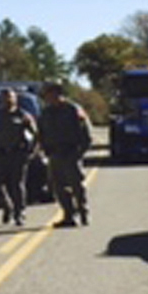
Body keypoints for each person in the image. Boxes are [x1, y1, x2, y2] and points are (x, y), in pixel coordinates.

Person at [38, 81, 91, 226]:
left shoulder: (72, 109)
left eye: (50, 93)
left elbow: (85, 131)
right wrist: (44, 148)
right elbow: (41, 131)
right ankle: (68, 215)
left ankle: (83, 211)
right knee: (58, 187)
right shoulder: (46, 112)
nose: (48, 97)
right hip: (54, 153)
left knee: (76, 184)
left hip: (71, 152)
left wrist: (81, 151)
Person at [0, 88, 38, 225]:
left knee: (17, 184)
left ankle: (19, 212)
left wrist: (32, 151)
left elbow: (35, 135)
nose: (7, 100)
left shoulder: (23, 115)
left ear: (15, 99)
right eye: (4, 97)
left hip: (17, 154)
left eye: (10, 97)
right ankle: (7, 207)